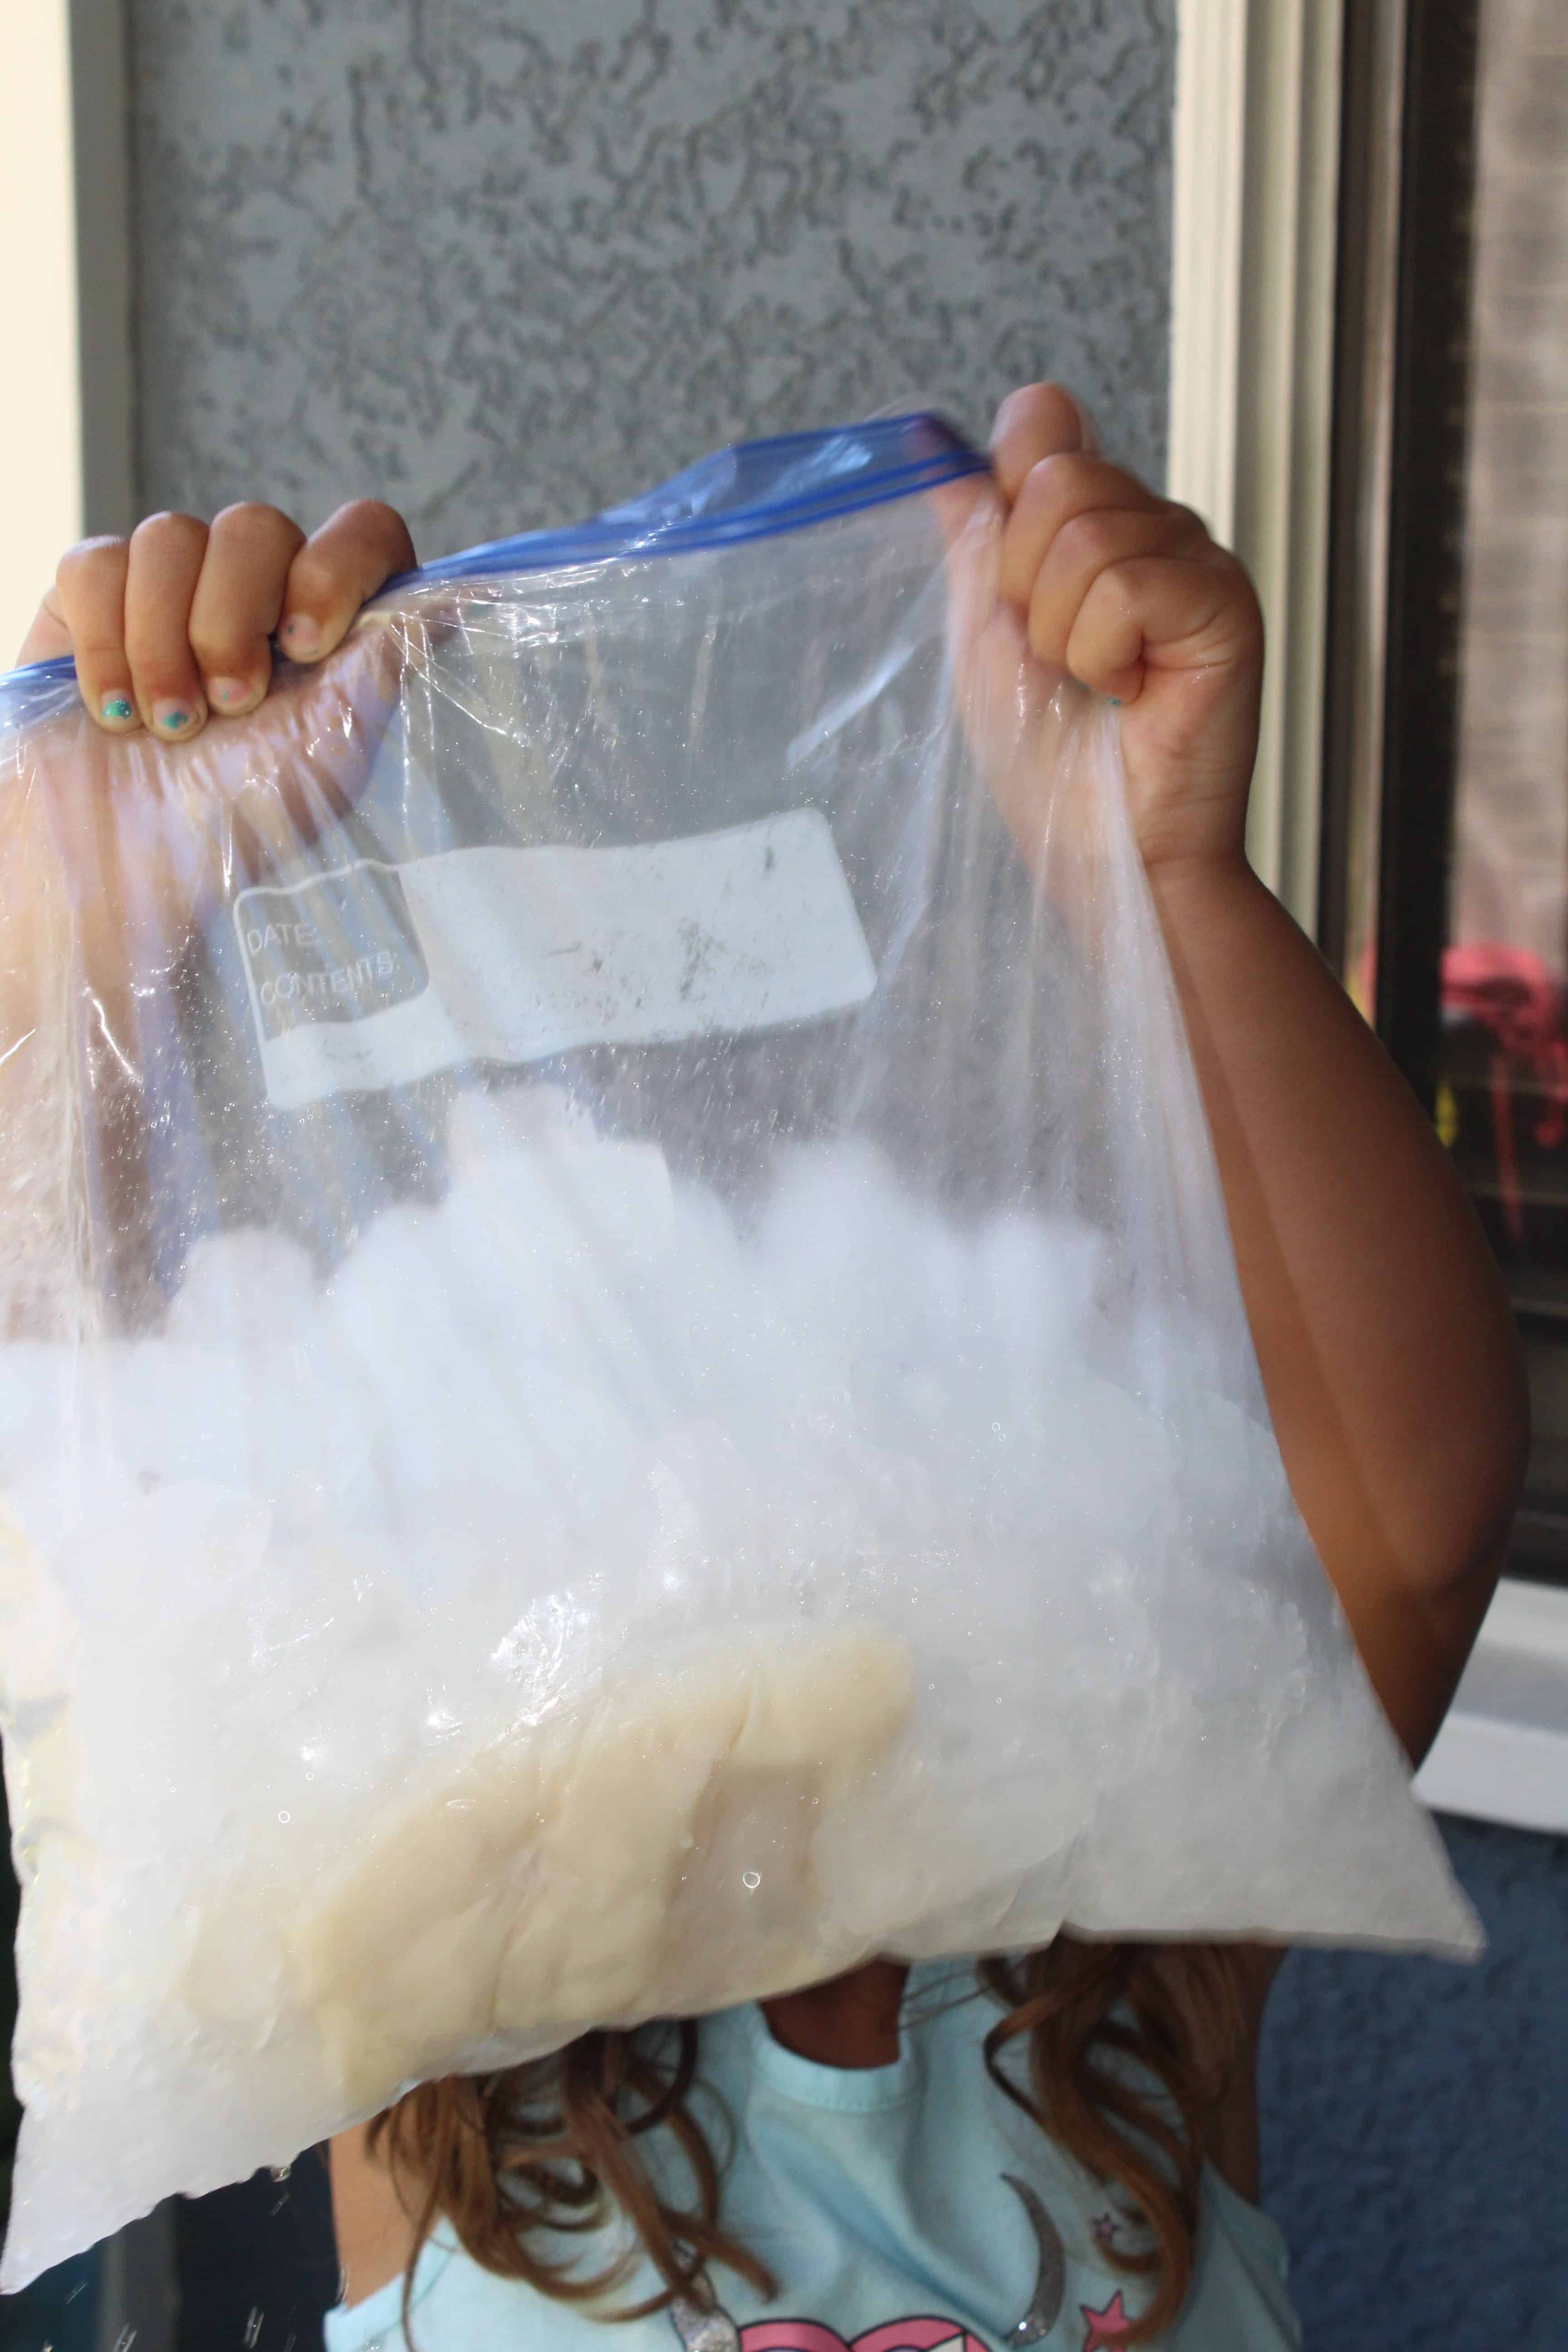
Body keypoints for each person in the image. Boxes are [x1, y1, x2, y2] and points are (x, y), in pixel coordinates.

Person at [17, 384, 1527, 2350]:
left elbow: (1404, 1534)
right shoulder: (436, 2001)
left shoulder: (1109, 1969)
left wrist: (1159, 874)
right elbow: (105, 1533)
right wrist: (81, 934)